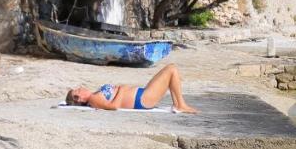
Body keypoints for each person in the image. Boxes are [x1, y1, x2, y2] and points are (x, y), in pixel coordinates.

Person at [65, 63, 199, 113]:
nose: (81, 88)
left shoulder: (95, 94)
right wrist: (121, 91)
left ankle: (179, 104)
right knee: (171, 69)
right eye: (78, 90)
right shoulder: (94, 99)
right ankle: (180, 105)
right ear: (79, 98)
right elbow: (114, 107)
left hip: (142, 95)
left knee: (171, 71)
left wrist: (119, 90)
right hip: (142, 99)